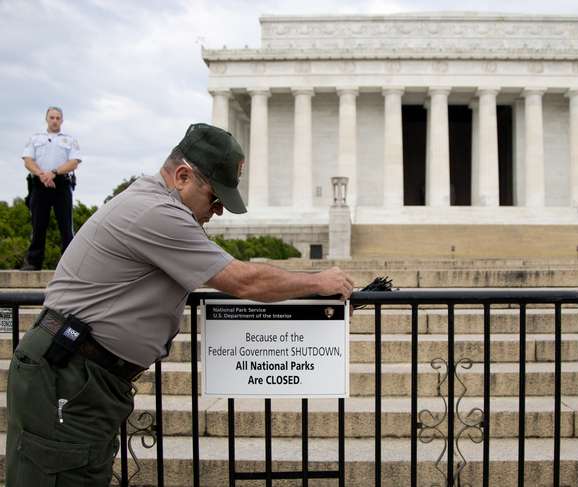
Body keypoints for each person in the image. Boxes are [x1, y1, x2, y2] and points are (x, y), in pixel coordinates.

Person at [5, 123, 355, 486]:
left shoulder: (152, 203)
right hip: (69, 374)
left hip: (81, 373)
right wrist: (317, 281)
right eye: (214, 198)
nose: (217, 211)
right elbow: (242, 280)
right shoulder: (157, 211)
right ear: (183, 176)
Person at [20, 106, 82, 270]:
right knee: (38, 224)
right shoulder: (35, 138)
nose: (54, 121)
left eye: (57, 118)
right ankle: (34, 262)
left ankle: (69, 265)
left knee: (66, 225)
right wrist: (42, 175)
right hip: (40, 185)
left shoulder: (69, 140)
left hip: (61, 184)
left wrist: (53, 173)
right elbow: (28, 160)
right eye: (51, 117)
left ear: (62, 120)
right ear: (46, 119)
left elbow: (74, 162)